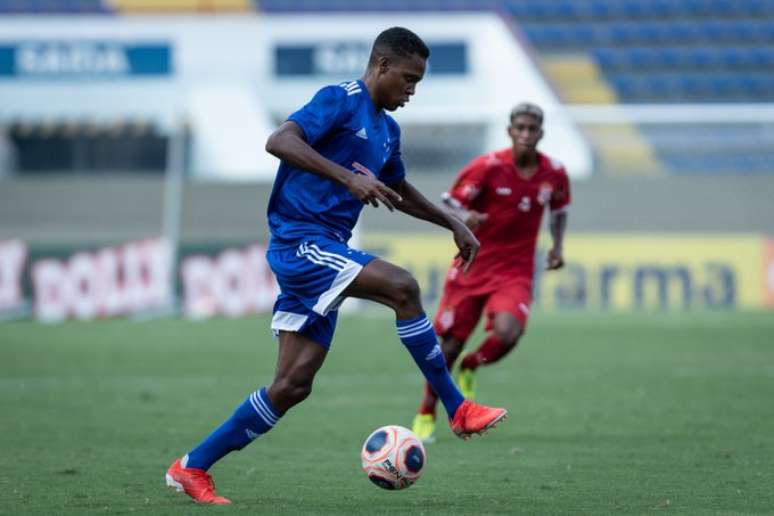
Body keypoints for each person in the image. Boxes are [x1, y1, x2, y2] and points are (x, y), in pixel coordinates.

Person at [165, 27, 507, 505]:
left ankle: (192, 466)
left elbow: (398, 189)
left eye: (418, 83)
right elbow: (278, 140)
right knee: (403, 288)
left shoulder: (387, 130)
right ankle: (457, 407)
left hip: (324, 249)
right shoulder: (340, 100)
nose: (412, 90)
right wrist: (346, 178)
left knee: (292, 385)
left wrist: (451, 222)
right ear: (382, 66)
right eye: (408, 79)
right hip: (301, 241)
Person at [411, 102, 570, 444]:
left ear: (541, 133)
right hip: (473, 264)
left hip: (515, 270)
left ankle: (473, 363)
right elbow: (450, 203)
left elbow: (559, 210)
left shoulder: (554, 173)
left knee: (509, 333)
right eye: (520, 128)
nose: (526, 134)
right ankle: (427, 410)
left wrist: (557, 246)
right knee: (448, 346)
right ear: (510, 131)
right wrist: (465, 216)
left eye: (532, 129)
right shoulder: (487, 167)